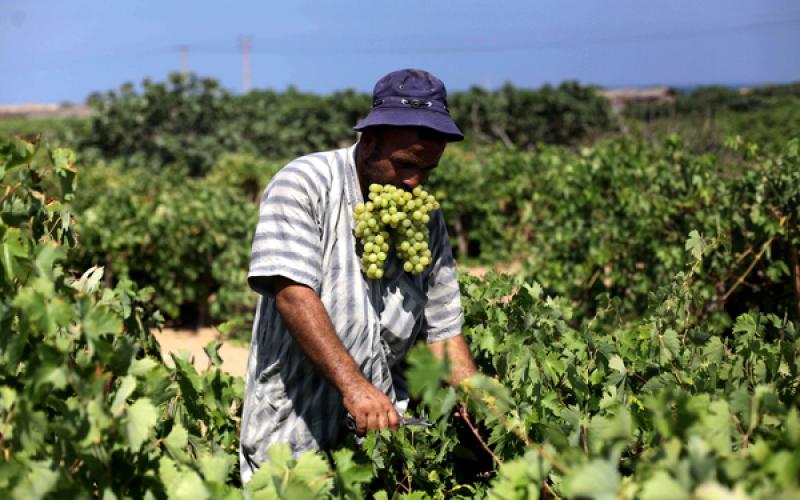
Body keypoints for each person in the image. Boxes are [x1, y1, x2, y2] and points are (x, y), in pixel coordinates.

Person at [239, 68, 477, 483]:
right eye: (405, 164)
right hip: (293, 438)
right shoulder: (304, 184)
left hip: (381, 448)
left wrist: (487, 412)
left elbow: (443, 332)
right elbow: (293, 294)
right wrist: (355, 387)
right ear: (369, 140)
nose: (415, 180)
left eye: (427, 170)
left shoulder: (424, 217)